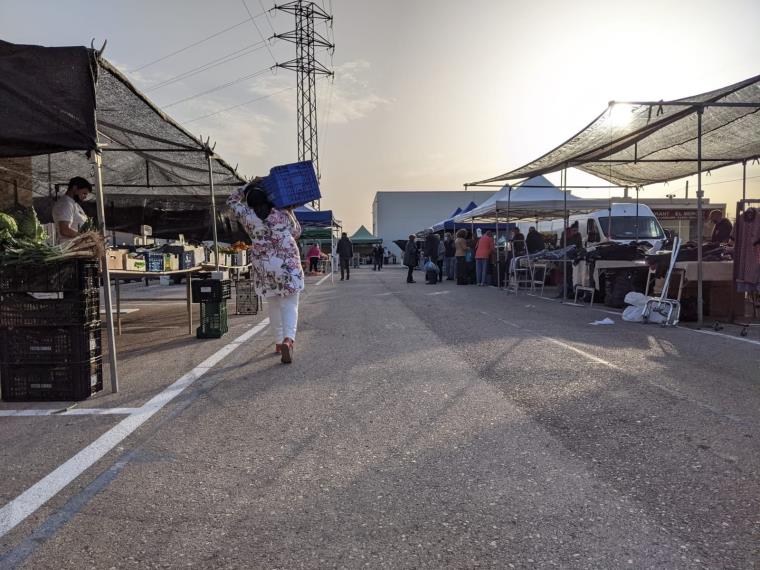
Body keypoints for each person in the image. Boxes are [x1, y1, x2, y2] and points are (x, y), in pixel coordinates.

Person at [227, 181, 303, 364]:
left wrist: (245, 188)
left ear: (250, 201)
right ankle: (288, 339)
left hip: (264, 265)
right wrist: (290, 211)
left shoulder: (247, 215)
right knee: (289, 304)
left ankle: (278, 342)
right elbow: (297, 232)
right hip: (288, 264)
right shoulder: (282, 213)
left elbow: (231, 200)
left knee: (274, 303)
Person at [52, 176, 91, 244]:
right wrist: (84, 237)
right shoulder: (66, 203)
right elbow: (64, 230)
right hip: (70, 249)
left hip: (78, 248)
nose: (85, 197)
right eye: (84, 193)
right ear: (74, 188)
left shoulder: (73, 204)